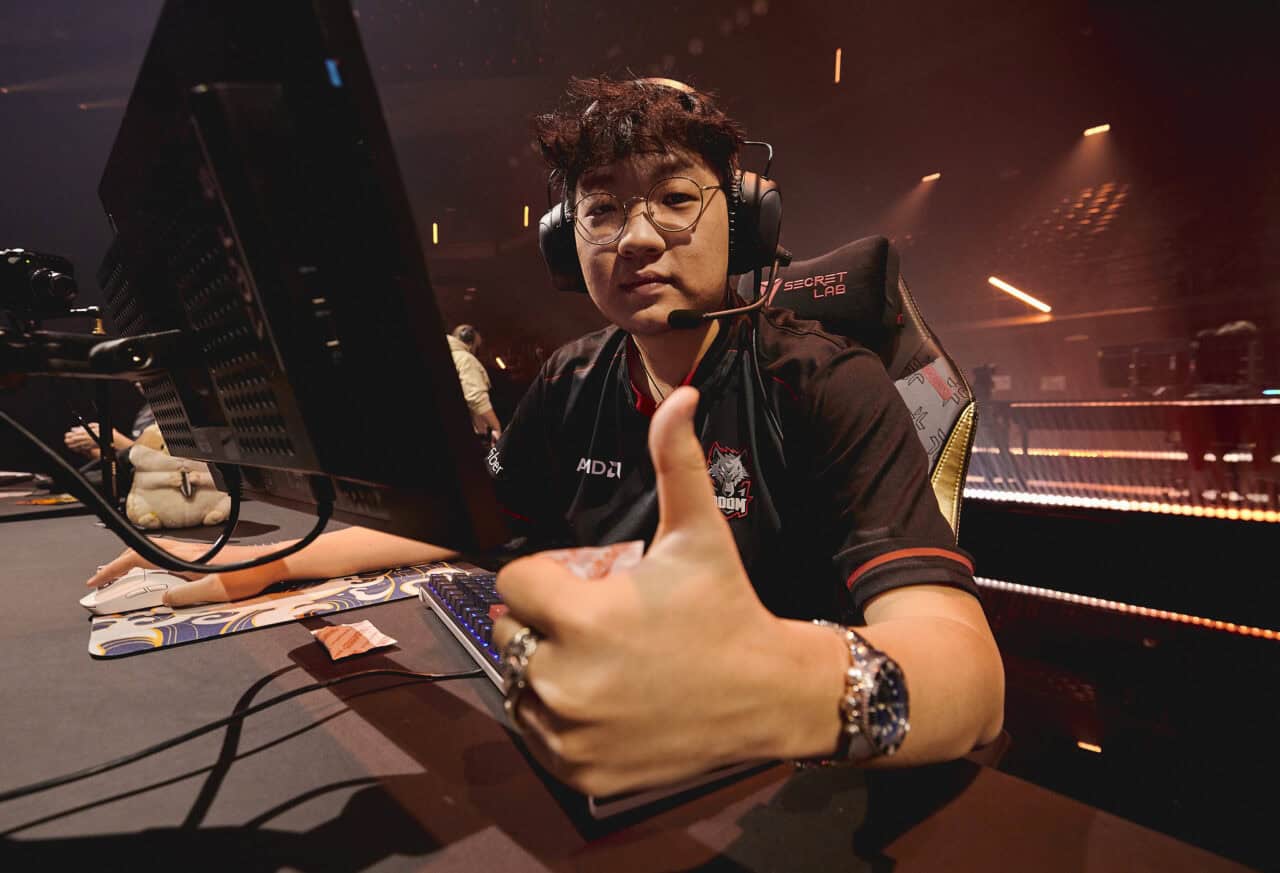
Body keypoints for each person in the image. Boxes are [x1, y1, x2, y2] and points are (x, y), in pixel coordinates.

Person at [86, 77, 1003, 795]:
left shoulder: (824, 382)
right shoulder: (573, 378)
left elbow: (973, 677)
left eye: (675, 196)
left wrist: (784, 691)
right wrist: (270, 562)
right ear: (571, 243)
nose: (636, 236)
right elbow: (469, 522)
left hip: (783, 772)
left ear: (746, 219)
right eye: (602, 209)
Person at [447, 324, 502, 447]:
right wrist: (496, 427)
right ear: (471, 343)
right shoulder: (465, 359)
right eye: (477, 347)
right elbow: (476, 397)